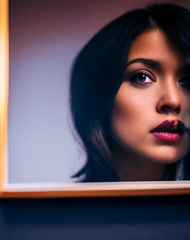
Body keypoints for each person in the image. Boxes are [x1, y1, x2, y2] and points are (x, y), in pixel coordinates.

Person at [70, 3, 190, 182]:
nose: (173, 101)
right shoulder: (57, 209)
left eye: (187, 81)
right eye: (142, 77)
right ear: (98, 96)